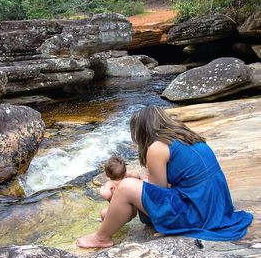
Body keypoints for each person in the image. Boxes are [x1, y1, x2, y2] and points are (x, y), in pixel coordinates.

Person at [76, 105, 253, 248]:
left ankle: (101, 237)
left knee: (126, 187)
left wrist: (134, 185)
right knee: (134, 188)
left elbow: (157, 192)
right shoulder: (186, 136)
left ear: (142, 131)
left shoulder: (157, 147)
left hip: (197, 212)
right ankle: (115, 214)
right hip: (213, 206)